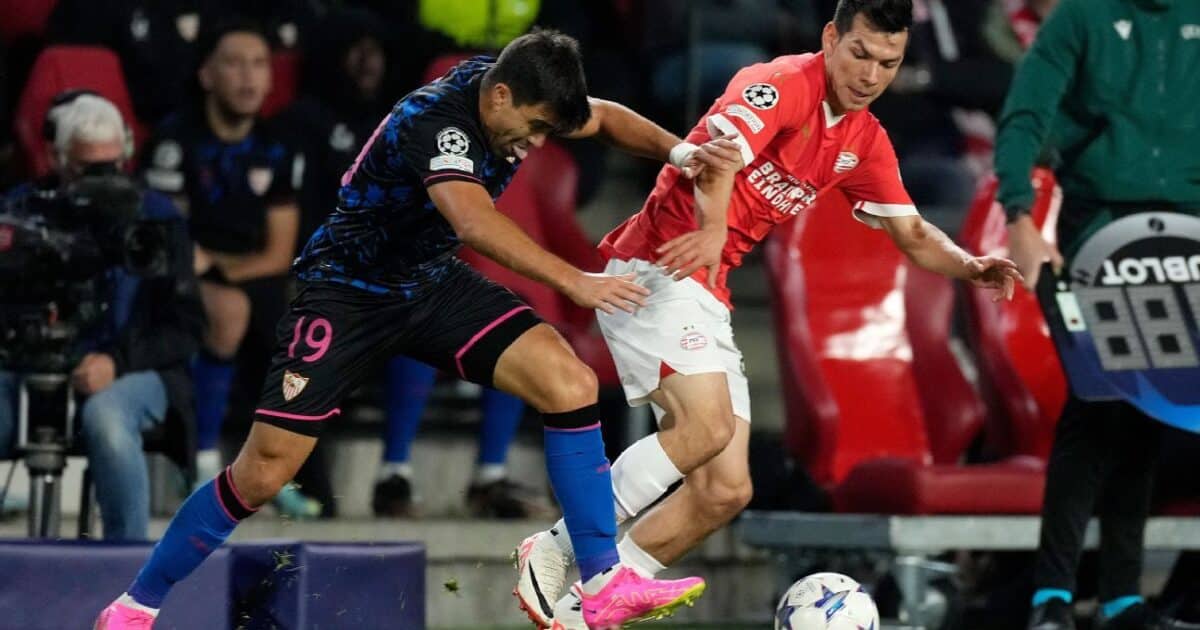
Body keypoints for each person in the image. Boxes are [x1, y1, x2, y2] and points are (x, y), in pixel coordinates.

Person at [95, 29, 739, 628]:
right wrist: (574, 281)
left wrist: (681, 151)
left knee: (568, 382)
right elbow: (475, 223)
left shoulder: (514, 89)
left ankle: (600, 582)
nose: (539, 143)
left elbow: (601, 118)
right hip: (345, 292)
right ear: (502, 97)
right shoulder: (438, 124)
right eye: (535, 128)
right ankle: (133, 607)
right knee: (263, 472)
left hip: (427, 282)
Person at [512, 2, 1023, 628]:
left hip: (708, 287)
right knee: (704, 429)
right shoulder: (780, 82)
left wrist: (968, 263)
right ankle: (559, 549)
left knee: (726, 490)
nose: (870, 74)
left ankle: (578, 614)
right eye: (859, 53)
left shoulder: (863, 141)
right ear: (831, 38)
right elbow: (720, 154)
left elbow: (914, 234)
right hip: (662, 265)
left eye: (887, 63)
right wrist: (713, 227)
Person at [990, 0, 1200, 628]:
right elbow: (1024, 117)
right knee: (1102, 399)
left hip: (1186, 235)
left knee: (1146, 409)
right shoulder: (1079, 19)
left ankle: (1119, 599)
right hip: (1099, 228)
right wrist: (1021, 216)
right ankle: (1053, 595)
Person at [0, 92, 204, 540]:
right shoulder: (22, 211)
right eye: (90, 170)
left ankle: (127, 576)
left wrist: (117, 362)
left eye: (112, 168)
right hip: (23, 363)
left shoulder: (158, 218)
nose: (104, 183)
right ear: (58, 158)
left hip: (133, 370)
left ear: (128, 153)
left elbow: (187, 327)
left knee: (106, 418)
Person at [139, 18, 316, 516]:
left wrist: (218, 265)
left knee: (304, 318)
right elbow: (173, 243)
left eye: (259, 64)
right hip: (170, 276)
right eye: (234, 63)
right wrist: (211, 269)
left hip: (246, 276)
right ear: (206, 75)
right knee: (235, 310)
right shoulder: (175, 142)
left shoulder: (278, 148)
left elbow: (279, 254)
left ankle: (275, 470)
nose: (248, 77)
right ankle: (201, 464)